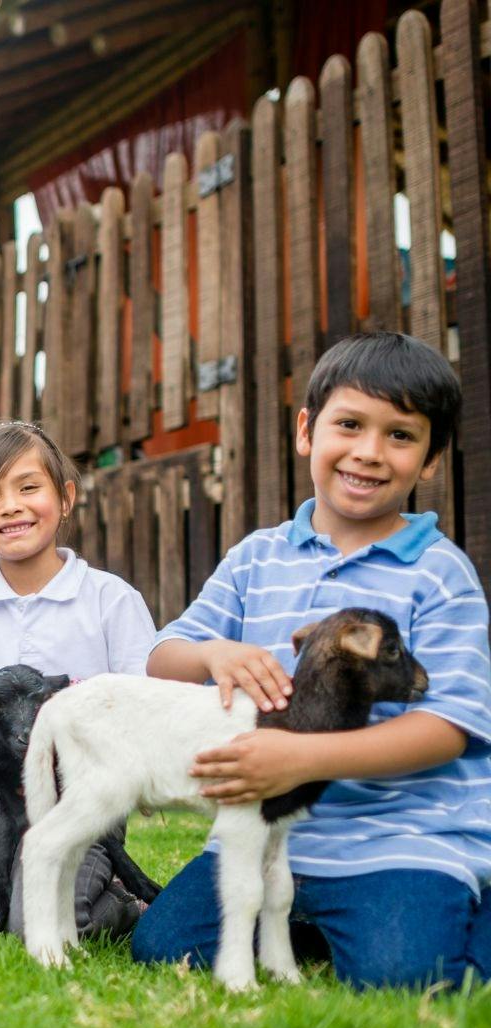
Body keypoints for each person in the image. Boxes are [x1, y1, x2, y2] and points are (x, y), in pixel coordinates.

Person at [134, 331, 491, 988]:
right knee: (163, 948)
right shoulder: (257, 558)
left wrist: (300, 759)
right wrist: (213, 652)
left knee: (404, 974)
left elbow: (448, 727)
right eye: (349, 424)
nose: (368, 452)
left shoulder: (441, 575)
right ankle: (306, 927)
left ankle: (457, 903)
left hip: (399, 837)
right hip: (260, 834)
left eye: (400, 436)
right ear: (307, 431)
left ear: (432, 458)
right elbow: (161, 657)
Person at [0, 419, 156, 936]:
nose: (10, 506)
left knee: (32, 924)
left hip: (80, 797)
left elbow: (147, 705)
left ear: (65, 498)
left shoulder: (110, 599)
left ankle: (120, 901)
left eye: (28, 487)